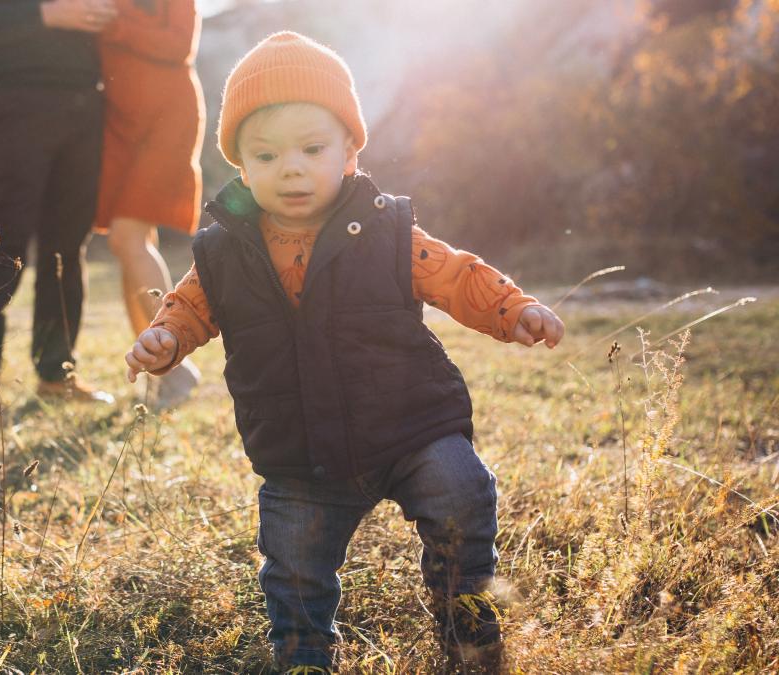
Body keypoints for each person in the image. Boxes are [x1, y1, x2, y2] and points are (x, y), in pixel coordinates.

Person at [124, 32, 565, 673]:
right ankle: (304, 652)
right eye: (266, 154)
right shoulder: (223, 253)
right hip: (301, 451)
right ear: (241, 167)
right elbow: (188, 308)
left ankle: (465, 613)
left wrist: (512, 308)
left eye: (312, 149)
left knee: (462, 493)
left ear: (351, 152)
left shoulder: (388, 231)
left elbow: (454, 274)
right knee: (294, 565)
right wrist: (164, 340)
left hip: (412, 425)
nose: (291, 168)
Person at [0, 0, 119, 421]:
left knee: (67, 246)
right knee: (4, 239)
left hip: (86, 100)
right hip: (18, 97)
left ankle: (56, 374)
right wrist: (47, 14)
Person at [95, 0, 205, 408]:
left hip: (167, 118)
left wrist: (116, 25)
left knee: (127, 238)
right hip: (123, 126)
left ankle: (175, 361)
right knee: (129, 242)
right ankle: (159, 368)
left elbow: (179, 43)